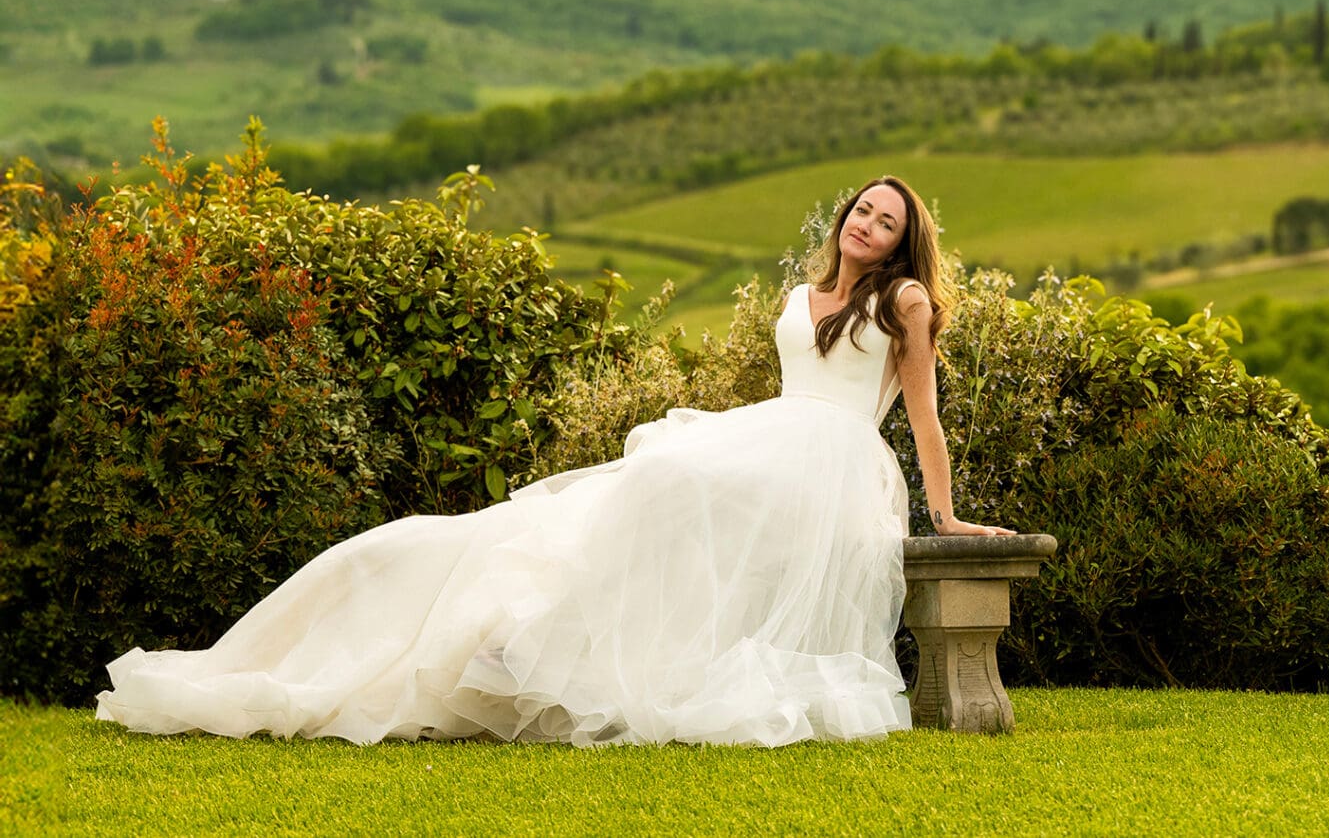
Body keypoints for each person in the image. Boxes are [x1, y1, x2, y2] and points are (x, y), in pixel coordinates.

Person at [96, 175, 1006, 747]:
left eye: (887, 222)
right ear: (845, 215)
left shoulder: (908, 301)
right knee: (644, 484)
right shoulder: (798, 292)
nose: (868, 226)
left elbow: (922, 417)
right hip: (773, 432)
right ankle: (531, 632)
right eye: (862, 210)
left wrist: (945, 512)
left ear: (900, 242)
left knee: (669, 477)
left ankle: (574, 644)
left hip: (834, 459)